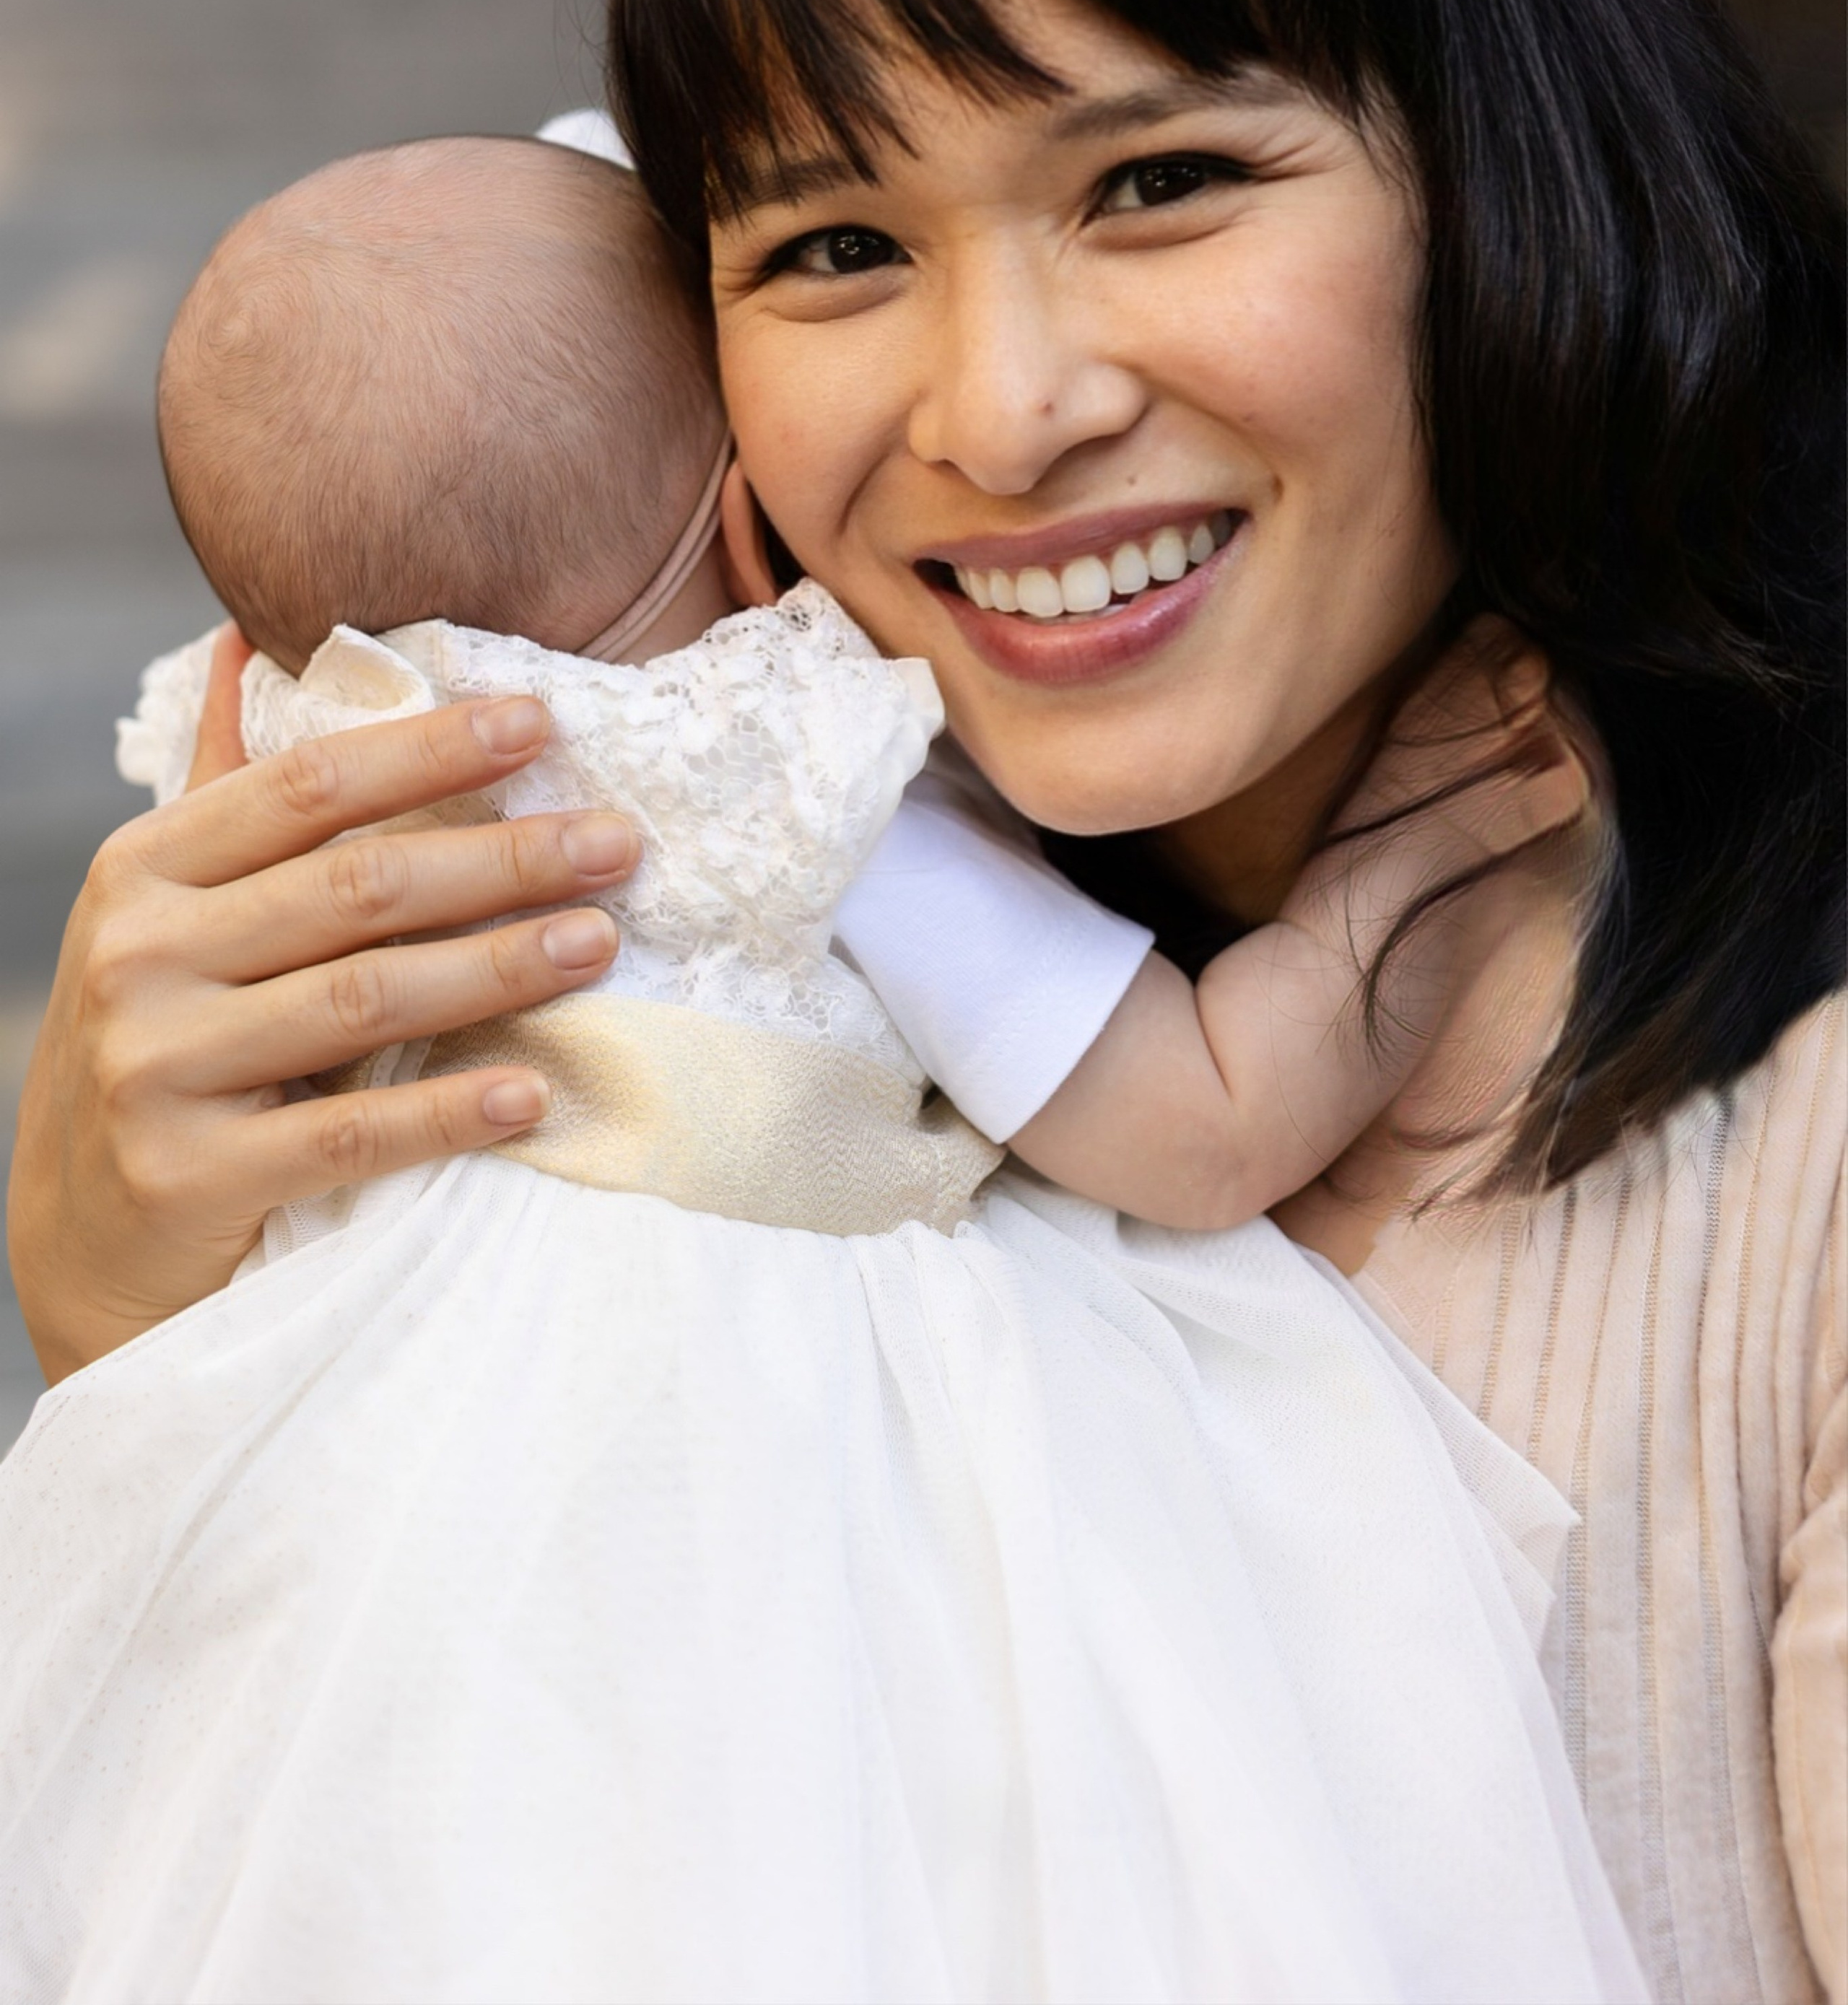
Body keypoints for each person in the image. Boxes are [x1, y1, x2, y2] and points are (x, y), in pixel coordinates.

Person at [8, 0, 1842, 2004]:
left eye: (1168, 178)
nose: (1004, 406)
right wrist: (138, 1286)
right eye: (837, 248)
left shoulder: (1793, 1178)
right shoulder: (710, 964)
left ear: (1507, 153)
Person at [0, 136, 1624, 2001]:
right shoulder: (779, 772)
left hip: (405, 1560)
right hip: (784, 1497)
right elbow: (1199, 1128)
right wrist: (1413, 852)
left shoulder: (287, 757)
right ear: (740, 508)